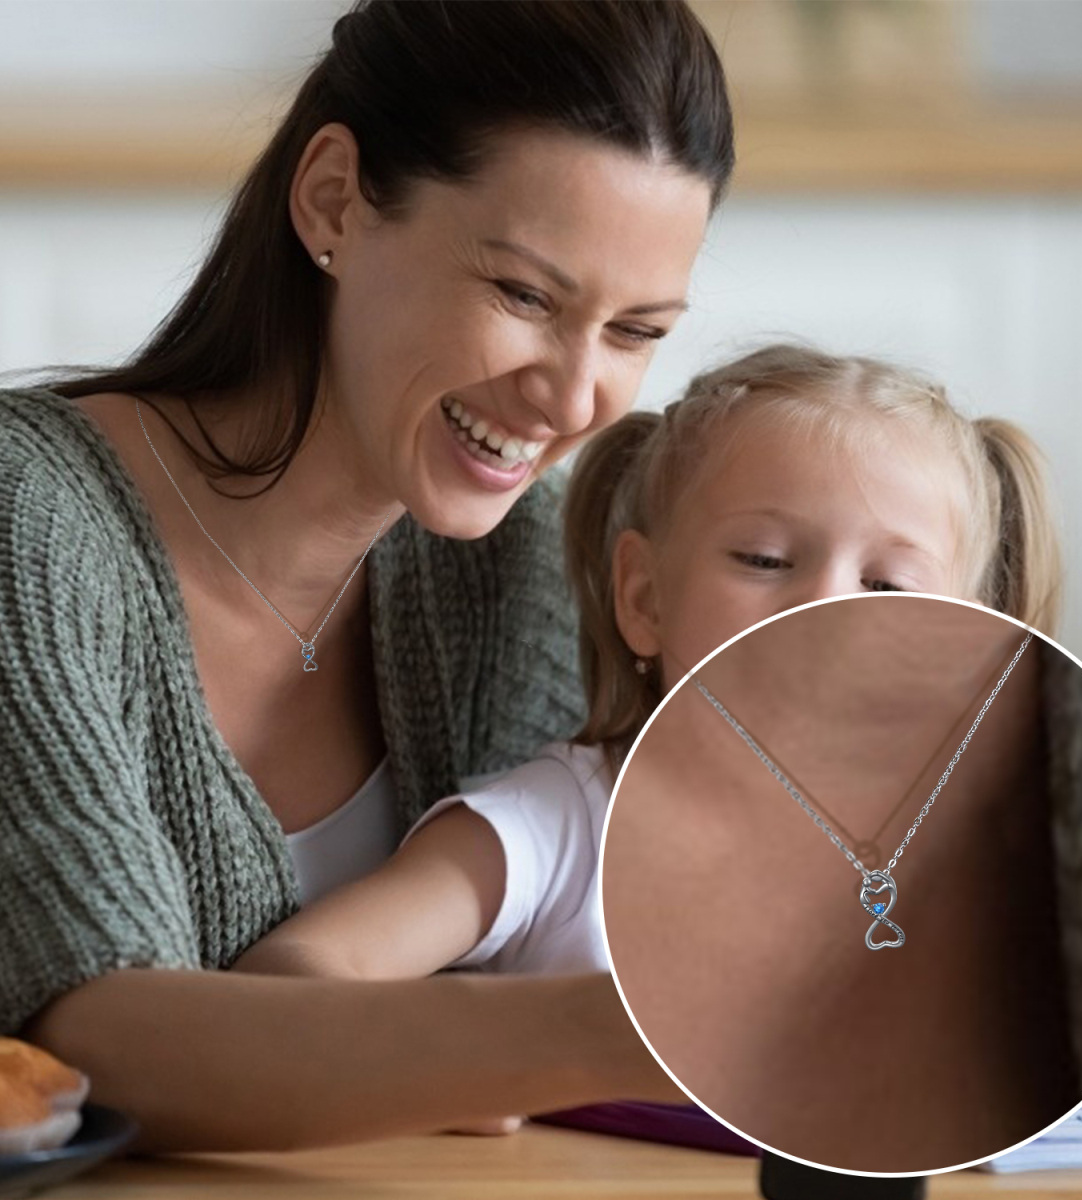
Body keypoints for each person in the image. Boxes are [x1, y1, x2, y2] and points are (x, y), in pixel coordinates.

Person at [0, 0, 733, 1153]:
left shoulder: (515, 573)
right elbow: (104, 1044)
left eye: (635, 332)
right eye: (526, 297)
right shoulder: (26, 522)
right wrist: (651, 1022)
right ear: (333, 198)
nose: (574, 394)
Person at [227, 343, 1082, 1155]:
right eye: (765, 560)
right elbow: (292, 981)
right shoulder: (562, 823)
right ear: (643, 596)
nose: (827, 609)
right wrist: (450, 1067)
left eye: (890, 585)